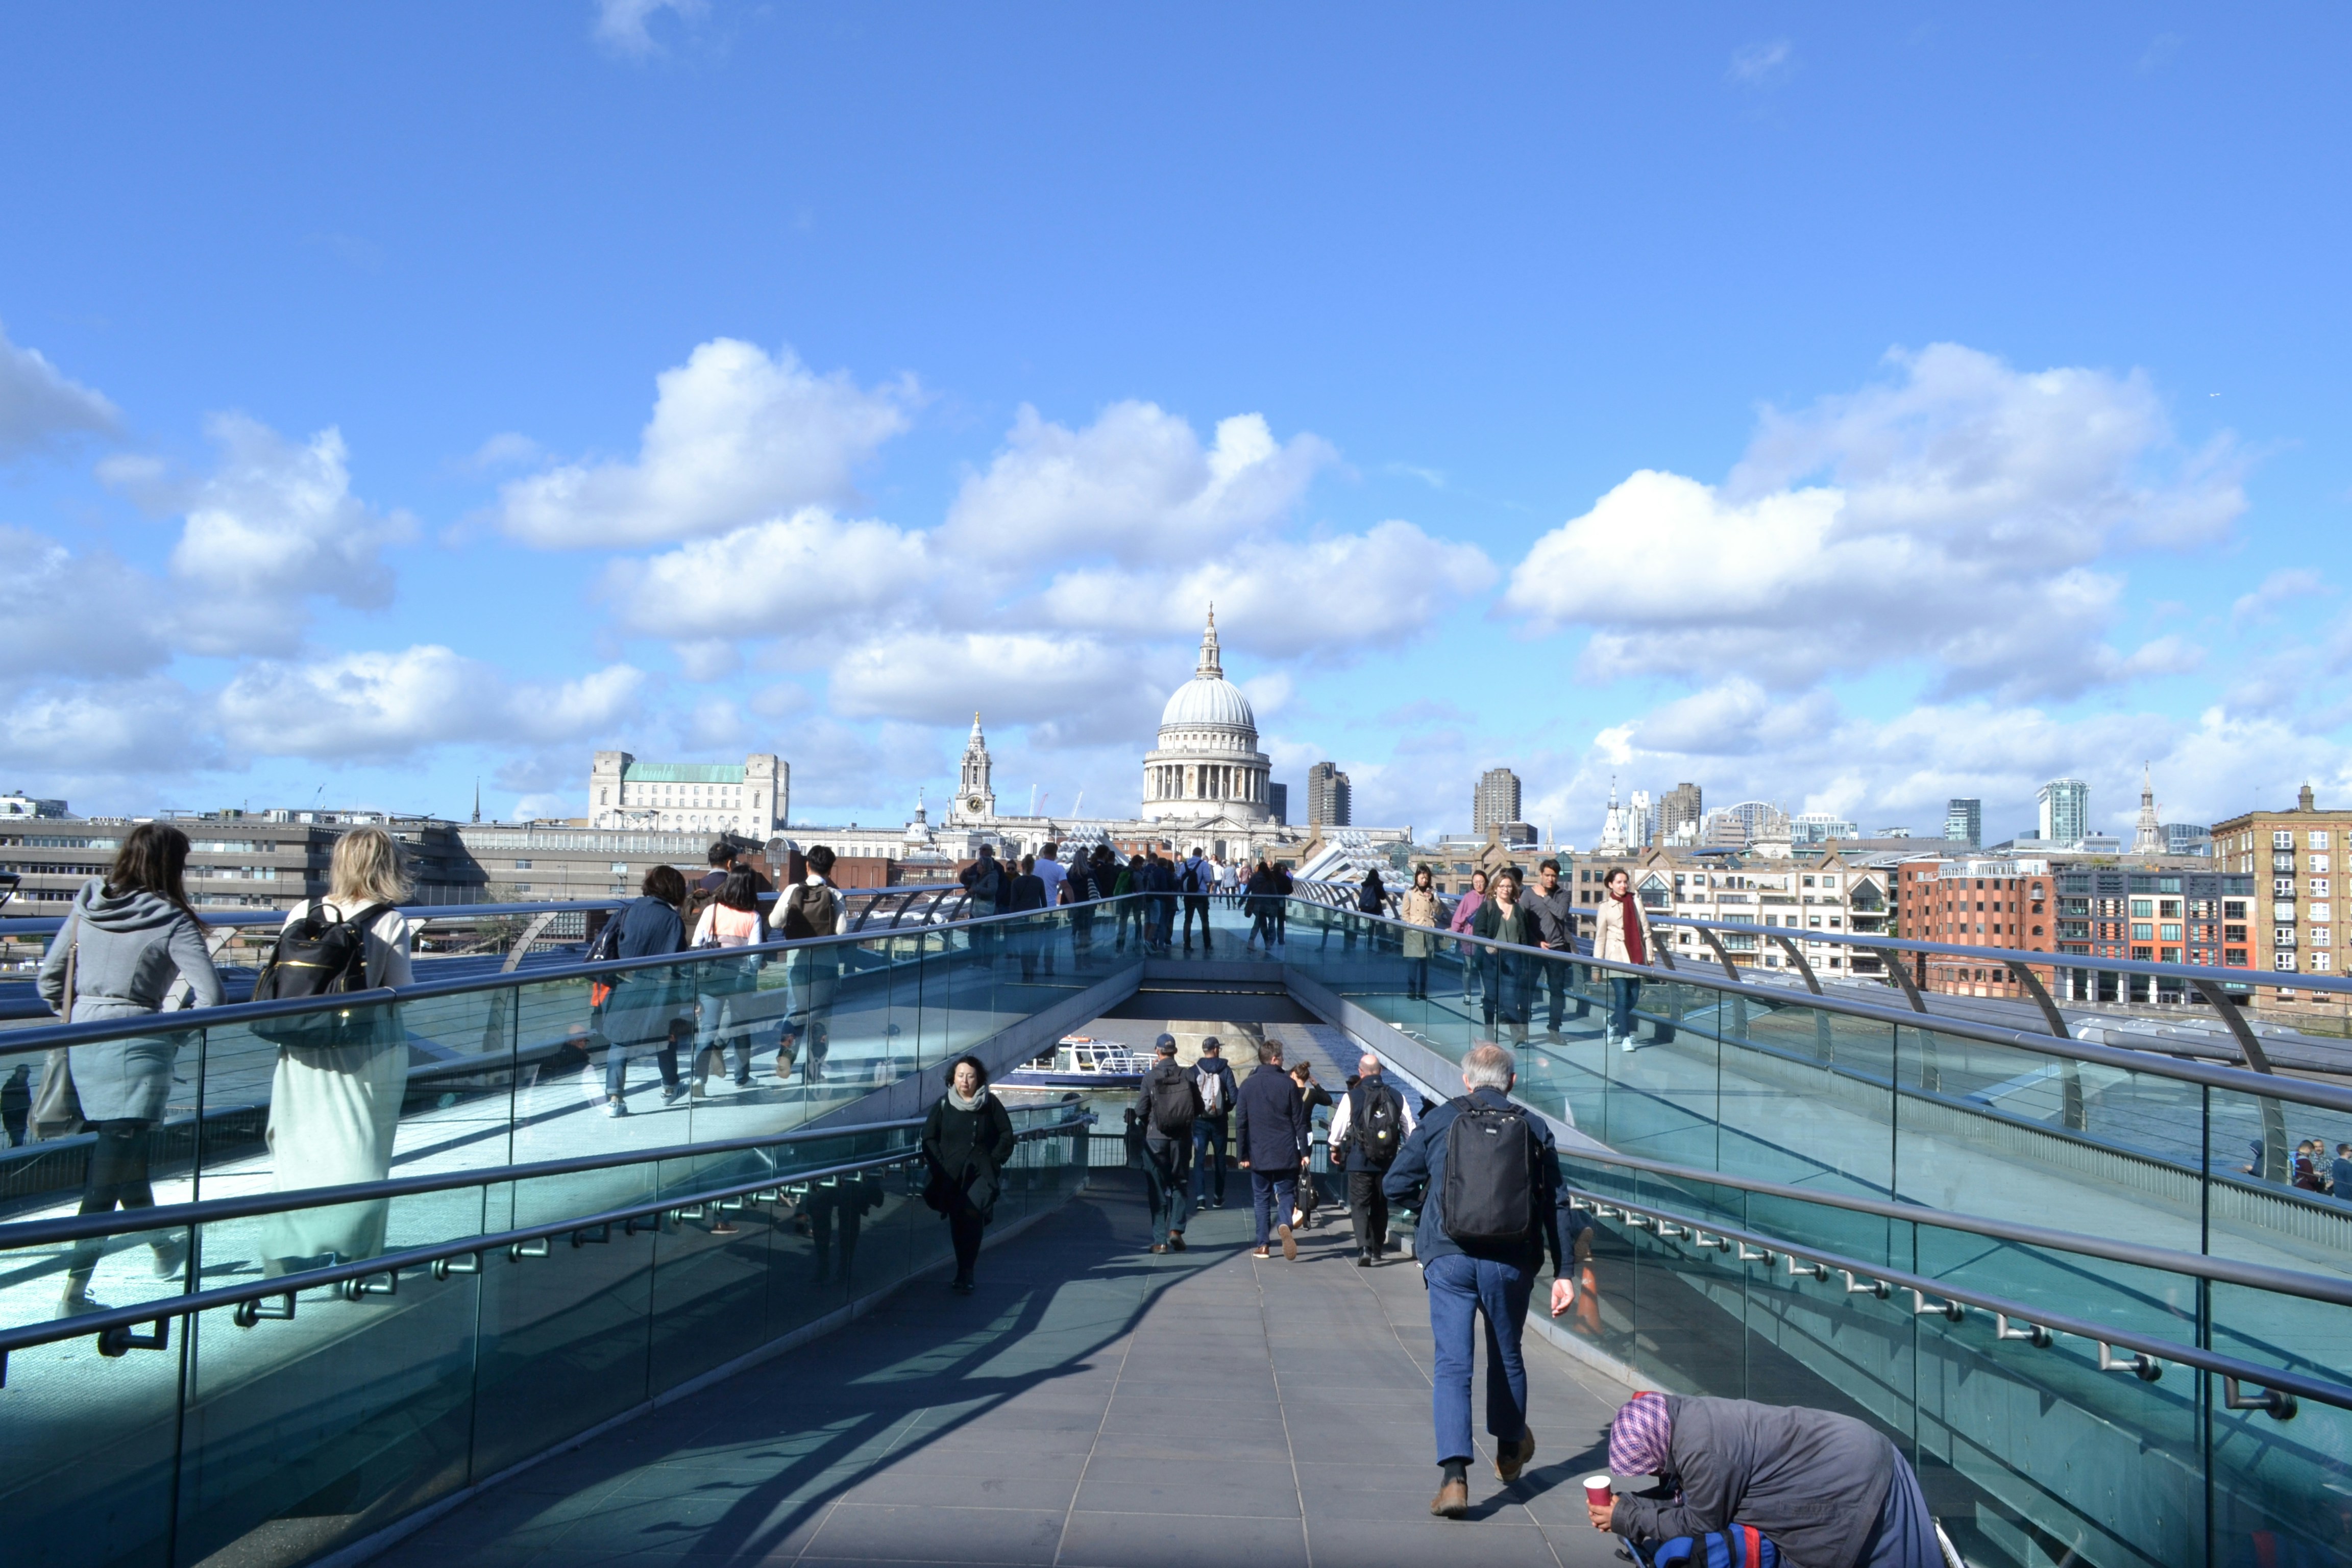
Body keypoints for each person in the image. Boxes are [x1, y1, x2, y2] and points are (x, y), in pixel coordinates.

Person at [1382, 1042, 1576, 1519]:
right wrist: (1566, 1272)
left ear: (1467, 1081)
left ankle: (1453, 1477)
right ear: (1511, 1081)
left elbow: (1394, 1185)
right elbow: (1556, 1203)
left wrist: (1429, 1209)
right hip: (1510, 1261)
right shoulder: (1533, 1127)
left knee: (1452, 1365)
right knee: (1507, 1355)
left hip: (1449, 1258)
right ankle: (1509, 1449)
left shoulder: (1441, 1120)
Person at [38, 822, 225, 1313]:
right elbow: (211, 996)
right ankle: (73, 1293)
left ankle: (164, 1247)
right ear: (171, 865)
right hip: (139, 1047)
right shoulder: (171, 919)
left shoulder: (88, 906)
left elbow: (48, 982)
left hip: (84, 1041)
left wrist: (84, 1015)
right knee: (109, 1174)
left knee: (122, 1159)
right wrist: (169, 1034)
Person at [259, 826, 417, 1275]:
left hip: (300, 1049)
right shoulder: (387, 920)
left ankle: (284, 1253)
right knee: (363, 1147)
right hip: (366, 1050)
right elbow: (400, 991)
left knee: (294, 1148)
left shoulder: (302, 911)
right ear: (388, 867)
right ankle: (357, 1259)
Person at [1591, 1392, 1940, 1567]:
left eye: (1650, 1466)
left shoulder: (1703, 1450)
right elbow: (1693, 1495)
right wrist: (1632, 1505)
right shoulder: (1685, 1419)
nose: (1654, 1473)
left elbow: (1701, 1520)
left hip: (1850, 1480)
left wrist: (1627, 1517)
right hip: (1858, 1449)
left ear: (1657, 1443)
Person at [600, 865, 692, 1113]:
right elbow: (678, 965)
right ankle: (671, 1087)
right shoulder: (672, 920)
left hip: (624, 986)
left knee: (619, 1042)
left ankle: (614, 1100)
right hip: (659, 992)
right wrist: (685, 1000)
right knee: (665, 1038)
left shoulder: (628, 911)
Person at [922, 1054, 1017, 1294]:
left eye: (971, 1076)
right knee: (957, 1219)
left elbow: (1007, 1134)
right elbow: (928, 1137)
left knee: (973, 1214)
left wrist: (994, 1161)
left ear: (979, 1079)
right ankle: (961, 1269)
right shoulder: (944, 1105)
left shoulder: (990, 1104)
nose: (965, 1081)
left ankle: (968, 1271)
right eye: (961, 1075)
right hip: (952, 1174)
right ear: (953, 1078)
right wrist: (940, 1164)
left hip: (981, 1172)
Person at [1329, 1051, 1417, 1265]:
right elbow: (1410, 1131)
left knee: (1359, 1205)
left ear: (1361, 1072)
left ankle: (1364, 1249)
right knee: (1380, 1204)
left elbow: (1338, 1129)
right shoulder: (1397, 1096)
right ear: (1381, 1071)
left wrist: (1334, 1148)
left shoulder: (1353, 1096)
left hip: (1359, 1161)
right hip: (1387, 1161)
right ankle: (1378, 1248)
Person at [689, 865, 768, 1095]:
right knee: (742, 1028)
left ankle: (699, 1079)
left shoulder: (712, 910)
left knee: (708, 1030)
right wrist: (750, 973)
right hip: (741, 979)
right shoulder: (753, 917)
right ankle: (742, 1077)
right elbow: (755, 954)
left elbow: (697, 943)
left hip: (712, 978)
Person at [1235, 1038, 1310, 1260]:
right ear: (1275, 1059)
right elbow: (1300, 1121)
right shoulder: (1289, 1084)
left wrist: (1243, 1154)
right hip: (1286, 1150)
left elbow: (1241, 1123)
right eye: (1283, 1058)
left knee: (1261, 1198)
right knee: (1286, 1192)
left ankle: (1263, 1246)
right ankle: (1285, 1223)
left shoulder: (1248, 1085)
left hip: (1258, 1152)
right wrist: (1304, 1153)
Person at [778, 846, 844, 1083]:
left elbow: (775, 921)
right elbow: (841, 931)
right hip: (826, 963)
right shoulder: (834, 894)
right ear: (830, 868)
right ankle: (814, 1072)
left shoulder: (792, 890)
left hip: (797, 962)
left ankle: (786, 1054)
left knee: (795, 1011)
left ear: (807, 865)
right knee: (821, 1018)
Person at [1133, 1034, 1200, 1252]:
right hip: (1181, 1139)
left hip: (1156, 1139)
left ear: (1157, 1051)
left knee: (1157, 1188)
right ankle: (1176, 1231)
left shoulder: (1151, 1077)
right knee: (1180, 1183)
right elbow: (1198, 1107)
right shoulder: (1188, 1075)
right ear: (1175, 1052)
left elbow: (1141, 1110)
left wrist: (1152, 1122)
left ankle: (1160, 1241)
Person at [1469, 868, 1540, 1043]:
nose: (1505, 889)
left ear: (1513, 889)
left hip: (1513, 957)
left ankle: (1515, 1034)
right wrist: (1488, 945)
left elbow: (1523, 936)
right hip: (1490, 957)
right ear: (1495, 888)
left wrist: (1526, 960)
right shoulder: (1488, 906)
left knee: (1510, 995)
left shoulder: (1518, 909)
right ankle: (1489, 1032)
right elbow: (1478, 932)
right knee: (1491, 995)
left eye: (1509, 886)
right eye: (1502, 886)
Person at [1595, 866, 1659, 1051]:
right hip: (1615, 957)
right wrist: (1596, 967)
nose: (1623, 885)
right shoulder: (1605, 906)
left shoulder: (1636, 902)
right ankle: (1625, 1037)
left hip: (1635, 956)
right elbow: (1600, 937)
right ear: (1610, 884)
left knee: (1633, 998)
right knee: (1622, 997)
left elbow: (1646, 931)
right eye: (1619, 882)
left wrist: (1650, 956)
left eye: (1625, 882)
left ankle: (1612, 1020)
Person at [1523, 859, 1585, 1035]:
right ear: (1541, 874)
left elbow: (1561, 913)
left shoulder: (1563, 894)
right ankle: (1523, 1024)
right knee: (1527, 986)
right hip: (1534, 949)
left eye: (1554, 876)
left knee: (1557, 990)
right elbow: (1522, 921)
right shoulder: (1528, 894)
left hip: (1557, 949)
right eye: (1547, 875)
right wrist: (1535, 941)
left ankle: (1554, 1029)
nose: (1550, 879)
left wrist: (1545, 897)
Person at [1190, 1035, 1240, 1209]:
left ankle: (1201, 1199)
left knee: (1199, 1159)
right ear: (1217, 1050)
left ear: (1205, 1051)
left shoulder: (1194, 1070)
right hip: (1220, 1122)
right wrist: (1224, 1109)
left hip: (1199, 1121)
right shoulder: (1225, 1070)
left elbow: (1189, 1097)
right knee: (1220, 1159)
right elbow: (1234, 1097)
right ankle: (1218, 1197)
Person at [1289, 1060, 1333, 1230]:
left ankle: (1293, 1208)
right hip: (1306, 1136)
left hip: (1290, 1136)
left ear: (1294, 1075)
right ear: (1307, 1078)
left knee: (1290, 1173)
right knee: (1304, 1172)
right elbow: (1328, 1100)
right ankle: (1305, 1208)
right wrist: (1316, 1085)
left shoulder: (1288, 1091)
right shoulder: (1312, 1095)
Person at [1399, 865, 1444, 1000]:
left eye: (1427, 877)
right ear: (1417, 877)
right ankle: (1411, 989)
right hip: (1414, 930)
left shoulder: (1434, 894)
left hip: (1428, 930)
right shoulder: (1410, 893)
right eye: (1422, 877)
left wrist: (1431, 899)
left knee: (1425, 963)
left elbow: (1439, 912)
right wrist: (1410, 924)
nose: (1424, 880)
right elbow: (1404, 913)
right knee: (1413, 962)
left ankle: (1422, 990)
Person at [1006, 854, 1050, 982]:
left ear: (1022, 866)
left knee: (1024, 945)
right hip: (1035, 917)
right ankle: (1033, 964)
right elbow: (1044, 903)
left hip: (1020, 917)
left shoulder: (1016, 882)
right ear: (1033, 867)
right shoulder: (1039, 881)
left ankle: (1026, 973)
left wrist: (1012, 919)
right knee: (1035, 944)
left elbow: (1013, 902)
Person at [1450, 869, 1489, 1004]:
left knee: (1483, 970)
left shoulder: (1490, 898)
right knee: (1467, 968)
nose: (1479, 885)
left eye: (1481, 882)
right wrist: (1454, 934)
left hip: (1484, 938)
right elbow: (1458, 917)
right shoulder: (1467, 897)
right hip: (1468, 938)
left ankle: (1485, 997)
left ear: (1486, 883)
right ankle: (1467, 995)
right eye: (1476, 882)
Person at [1181, 845, 1215, 953]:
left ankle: (1187, 944)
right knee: (1204, 920)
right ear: (1200, 855)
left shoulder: (1184, 864)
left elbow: (1179, 878)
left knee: (1188, 920)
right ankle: (1207, 944)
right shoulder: (1204, 864)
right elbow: (1207, 879)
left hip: (1188, 896)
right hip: (1201, 895)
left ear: (1192, 853)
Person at [1112, 853, 1143, 952]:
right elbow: (1141, 890)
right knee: (1138, 921)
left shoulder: (1124, 871)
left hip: (1123, 900)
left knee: (1123, 920)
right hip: (1135, 902)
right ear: (1138, 864)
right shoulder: (1137, 874)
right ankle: (1137, 942)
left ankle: (1120, 942)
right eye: (1141, 865)